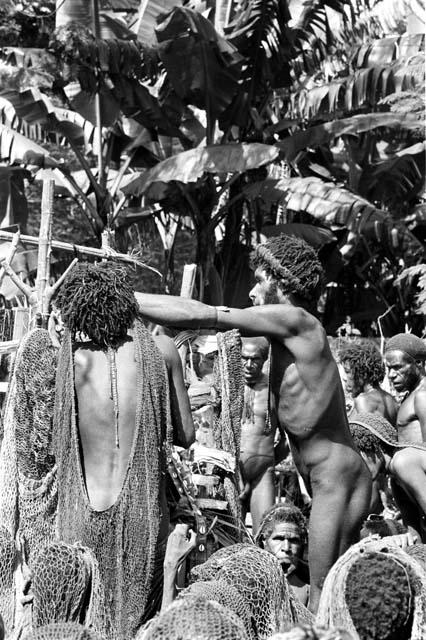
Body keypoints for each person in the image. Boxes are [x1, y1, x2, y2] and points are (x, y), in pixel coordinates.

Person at [135, 233, 372, 613]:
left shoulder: (296, 320)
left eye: (260, 280)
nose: (253, 292)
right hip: (328, 478)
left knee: (321, 598)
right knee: (330, 597)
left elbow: (204, 314)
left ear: (281, 282)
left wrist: (127, 301)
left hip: (337, 479)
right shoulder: (286, 340)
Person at [51, 262, 195, 640]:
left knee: (83, 622)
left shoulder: (71, 359)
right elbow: (186, 434)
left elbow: (56, 441)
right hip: (144, 512)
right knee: (138, 625)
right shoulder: (162, 350)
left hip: (79, 514)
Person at [349, 412, 426, 542]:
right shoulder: (396, 482)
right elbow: (414, 535)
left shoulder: (402, 462)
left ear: (374, 446)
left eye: (359, 455)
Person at [239, 336, 285, 533]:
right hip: (231, 473)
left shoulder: (274, 390)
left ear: (264, 359)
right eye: (244, 358)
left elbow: (287, 439)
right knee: (228, 535)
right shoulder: (227, 386)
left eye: (255, 359)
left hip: (262, 475)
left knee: (264, 534)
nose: (248, 365)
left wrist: (268, 459)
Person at [256, 502, 310, 606]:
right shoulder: (249, 583)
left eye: (294, 540)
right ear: (264, 540)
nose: (286, 548)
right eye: (279, 538)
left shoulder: (311, 590)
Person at [338, 341, 397, 425]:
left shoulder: (363, 400)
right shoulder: (392, 401)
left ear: (362, 374)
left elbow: (363, 436)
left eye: (347, 372)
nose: (344, 378)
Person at [384, 333, 426, 443]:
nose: (391, 375)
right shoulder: (412, 394)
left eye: (397, 367)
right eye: (389, 368)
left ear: (418, 363)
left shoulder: (422, 396)